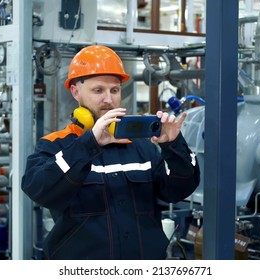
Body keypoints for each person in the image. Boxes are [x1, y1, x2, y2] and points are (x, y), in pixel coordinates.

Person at [21, 45, 200, 260]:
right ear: (75, 92)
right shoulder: (55, 145)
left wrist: (173, 146)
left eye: (114, 90)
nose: (109, 99)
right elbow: (38, 188)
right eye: (98, 91)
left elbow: (179, 189)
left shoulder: (141, 147)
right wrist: (89, 144)